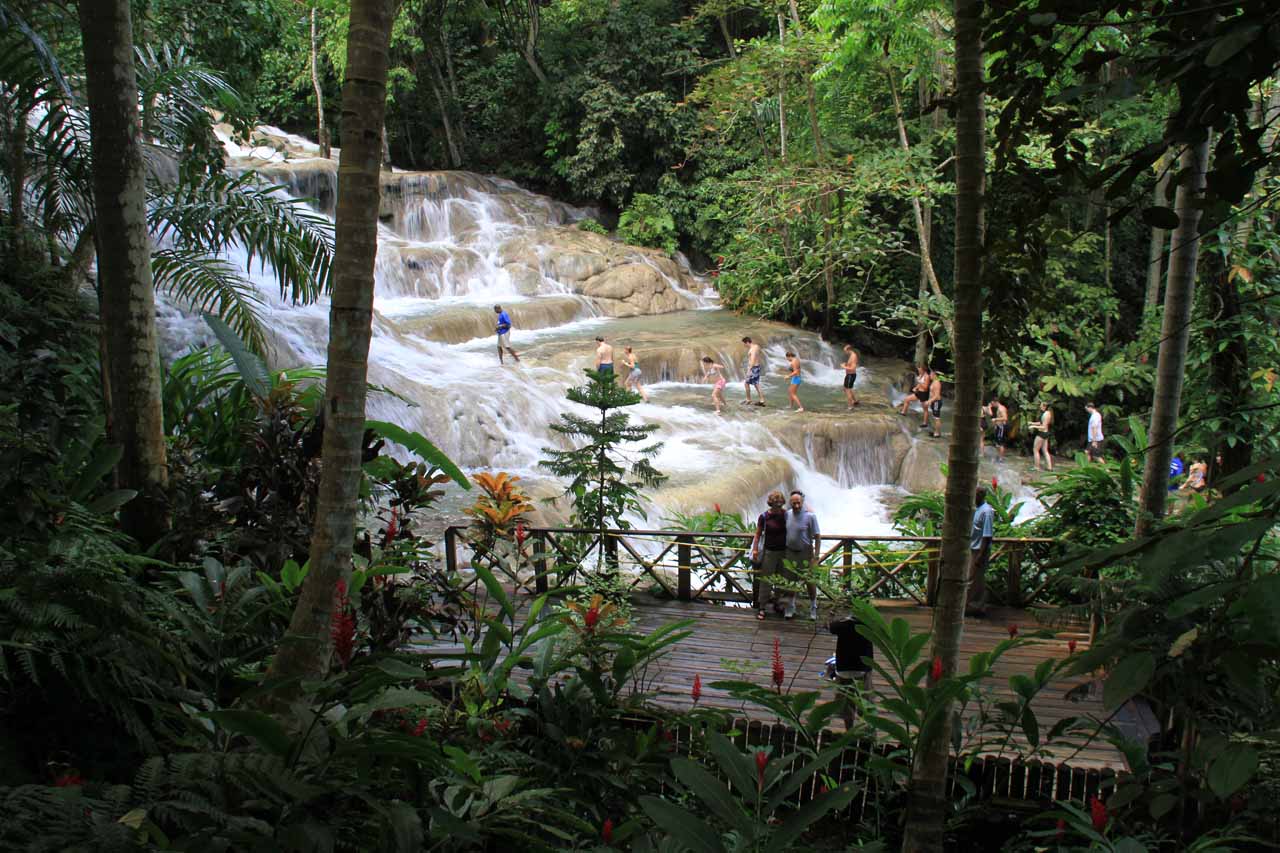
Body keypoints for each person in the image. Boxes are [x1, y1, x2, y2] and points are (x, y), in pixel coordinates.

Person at [827, 614, 874, 725]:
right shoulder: (868, 626)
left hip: (844, 669)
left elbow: (831, 626)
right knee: (865, 701)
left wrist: (835, 616)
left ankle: (849, 729)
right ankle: (867, 728)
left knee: (846, 704)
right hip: (862, 669)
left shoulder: (842, 625)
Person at [750, 491, 789, 619]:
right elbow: (758, 534)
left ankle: (777, 603)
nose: (778, 506)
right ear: (770, 503)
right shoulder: (764, 517)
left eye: (780, 503)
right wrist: (755, 550)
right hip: (769, 552)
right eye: (775, 504)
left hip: (784, 552)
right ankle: (762, 607)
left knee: (780, 579)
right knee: (766, 580)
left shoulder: (786, 515)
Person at [783, 490, 821, 620]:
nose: (796, 506)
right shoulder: (787, 515)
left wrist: (816, 555)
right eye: (794, 503)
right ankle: (791, 605)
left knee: (809, 581)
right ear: (790, 503)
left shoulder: (810, 516)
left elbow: (817, 536)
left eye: (798, 503)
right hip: (790, 551)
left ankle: (813, 606)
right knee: (791, 580)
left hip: (806, 552)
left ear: (802, 502)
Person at [965, 486, 995, 617]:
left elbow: (987, 535)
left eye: (975, 495)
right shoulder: (976, 509)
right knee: (972, 579)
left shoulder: (987, 512)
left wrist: (981, 555)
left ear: (981, 496)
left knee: (975, 579)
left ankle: (975, 607)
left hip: (979, 550)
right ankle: (972, 606)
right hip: (971, 548)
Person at [1029, 401, 1054, 471]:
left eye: (1041, 406)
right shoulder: (1048, 413)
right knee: (1045, 450)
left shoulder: (1046, 415)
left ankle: (1036, 467)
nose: (1040, 407)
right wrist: (1032, 423)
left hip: (1042, 434)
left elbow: (1043, 427)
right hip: (1046, 433)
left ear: (1045, 407)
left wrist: (1033, 426)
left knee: (1035, 450)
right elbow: (1041, 422)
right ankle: (1049, 467)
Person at [742, 336, 766, 407]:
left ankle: (749, 399)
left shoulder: (752, 350)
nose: (744, 345)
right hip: (757, 367)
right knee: (756, 384)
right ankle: (761, 400)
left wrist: (749, 370)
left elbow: (752, 360)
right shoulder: (756, 346)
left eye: (744, 344)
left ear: (747, 342)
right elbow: (759, 354)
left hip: (753, 368)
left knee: (747, 383)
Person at [842, 345, 860, 409]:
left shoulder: (853, 356)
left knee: (847, 390)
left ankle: (850, 406)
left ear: (849, 350)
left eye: (845, 350)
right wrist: (846, 365)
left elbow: (853, 368)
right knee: (846, 388)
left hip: (850, 375)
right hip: (850, 375)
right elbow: (851, 365)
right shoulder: (852, 356)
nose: (845, 352)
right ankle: (855, 401)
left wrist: (844, 367)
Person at [925, 370, 943, 437]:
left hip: (936, 402)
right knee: (935, 417)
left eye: (931, 374)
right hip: (934, 402)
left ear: (934, 375)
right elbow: (932, 393)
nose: (930, 376)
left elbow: (937, 396)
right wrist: (930, 400)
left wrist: (929, 401)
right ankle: (936, 432)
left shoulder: (937, 383)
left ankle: (937, 433)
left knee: (937, 418)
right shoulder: (934, 382)